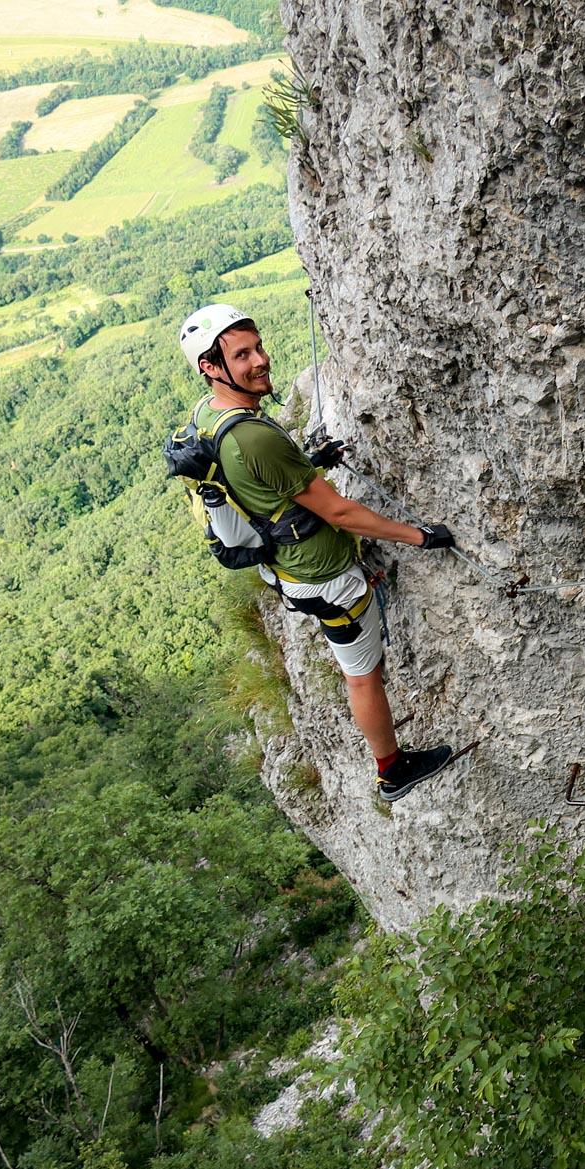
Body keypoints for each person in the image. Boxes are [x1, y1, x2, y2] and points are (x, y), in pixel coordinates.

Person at [174, 302, 458, 801]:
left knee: (358, 668)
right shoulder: (253, 435)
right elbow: (341, 513)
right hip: (327, 578)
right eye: (242, 355)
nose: (260, 359)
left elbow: (254, 485)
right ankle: (391, 770)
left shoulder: (208, 418)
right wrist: (420, 536)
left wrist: (307, 462)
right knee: (363, 677)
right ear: (211, 367)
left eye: (258, 346)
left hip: (289, 570)